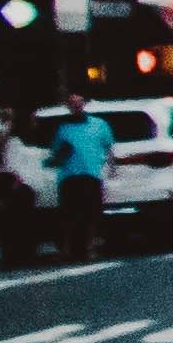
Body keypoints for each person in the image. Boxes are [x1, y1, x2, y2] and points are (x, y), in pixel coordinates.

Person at [47, 100, 114, 261]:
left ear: (83, 104)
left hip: (91, 174)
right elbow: (55, 152)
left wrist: (112, 166)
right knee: (68, 214)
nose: (76, 107)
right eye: (72, 104)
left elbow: (109, 147)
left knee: (91, 214)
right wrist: (61, 154)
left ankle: (90, 248)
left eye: (78, 104)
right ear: (68, 107)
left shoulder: (99, 125)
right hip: (69, 175)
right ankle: (66, 250)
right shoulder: (63, 128)